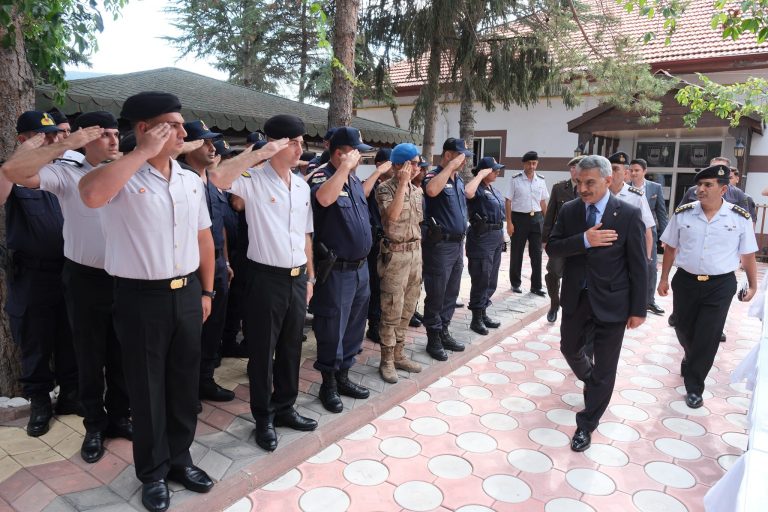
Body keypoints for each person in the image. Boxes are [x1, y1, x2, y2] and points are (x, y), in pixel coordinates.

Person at [79, 92, 216, 512]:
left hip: (188, 293)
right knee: (147, 389)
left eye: (181, 124)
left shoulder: (191, 179)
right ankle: (152, 472)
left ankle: (180, 459)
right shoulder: (121, 173)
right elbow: (90, 194)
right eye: (171, 124)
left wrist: (207, 290)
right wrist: (142, 154)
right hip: (141, 298)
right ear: (142, 128)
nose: (182, 132)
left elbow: (203, 237)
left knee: (182, 385)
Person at [2, 111, 132, 463]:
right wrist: (63, 143)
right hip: (67, 275)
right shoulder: (60, 172)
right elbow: (14, 174)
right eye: (103, 134)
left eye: (115, 133)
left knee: (117, 353)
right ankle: (80, 418)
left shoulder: (123, 171)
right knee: (67, 349)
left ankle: (118, 416)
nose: (113, 140)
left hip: (121, 276)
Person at [208, 114, 316, 451]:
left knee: (290, 348)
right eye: (293, 142)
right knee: (262, 350)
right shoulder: (252, 178)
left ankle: (285, 407)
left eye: (301, 142)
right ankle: (263, 417)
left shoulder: (300, 185)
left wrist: (310, 275)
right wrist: (259, 152)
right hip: (265, 279)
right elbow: (216, 178)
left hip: (297, 278)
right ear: (277, 143)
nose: (300, 148)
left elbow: (305, 234)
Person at [546, 154, 647, 452]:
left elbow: (639, 265)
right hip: (577, 298)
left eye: (590, 183)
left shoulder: (627, 214)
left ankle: (586, 424)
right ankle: (595, 382)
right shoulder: (570, 210)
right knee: (569, 348)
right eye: (579, 182)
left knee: (606, 367)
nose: (582, 189)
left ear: (607, 179)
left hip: (614, 303)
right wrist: (585, 240)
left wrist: (638, 308)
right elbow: (552, 245)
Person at [0, 111, 79, 438]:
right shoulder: (14, 172)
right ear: (24, 139)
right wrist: (27, 152)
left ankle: (72, 397)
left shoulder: (70, 169)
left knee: (71, 337)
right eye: (46, 136)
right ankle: (40, 404)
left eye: (59, 135)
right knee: (35, 340)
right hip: (32, 275)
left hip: (70, 271)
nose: (56, 141)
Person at [658, 163, 757, 409]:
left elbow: (748, 255)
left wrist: (753, 285)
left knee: (708, 335)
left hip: (720, 284)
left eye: (707, 185)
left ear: (723, 189)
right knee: (682, 327)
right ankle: (690, 355)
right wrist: (663, 278)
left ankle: (694, 386)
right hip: (686, 281)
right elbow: (670, 247)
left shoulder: (739, 217)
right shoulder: (684, 213)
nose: (701, 189)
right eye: (699, 185)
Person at [308, 127, 373, 412]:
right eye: (355, 151)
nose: (360, 156)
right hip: (336, 271)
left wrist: (349, 172)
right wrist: (343, 169)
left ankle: (344, 376)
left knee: (354, 327)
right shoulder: (322, 175)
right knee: (332, 328)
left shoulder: (355, 181)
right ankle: (328, 384)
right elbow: (323, 199)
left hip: (360, 270)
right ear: (339, 152)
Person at [179, 120, 236, 404]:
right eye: (205, 142)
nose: (212, 148)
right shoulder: (182, 180)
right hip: (192, 267)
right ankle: (187, 388)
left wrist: (224, 261)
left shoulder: (210, 183)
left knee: (214, 328)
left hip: (216, 264)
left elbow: (219, 227)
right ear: (188, 146)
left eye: (212, 142)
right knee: (192, 332)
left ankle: (205, 380)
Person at [375, 143, 424, 382]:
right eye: (413, 163)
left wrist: (409, 185)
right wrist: (403, 183)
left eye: (417, 163)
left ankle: (399, 354)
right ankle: (386, 360)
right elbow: (391, 218)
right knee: (392, 308)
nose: (417, 167)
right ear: (398, 165)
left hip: (415, 254)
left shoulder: (418, 191)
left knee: (408, 307)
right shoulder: (385, 189)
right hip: (395, 256)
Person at [421, 138, 470, 361]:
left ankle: (444, 331)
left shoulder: (458, 180)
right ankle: (433, 338)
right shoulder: (434, 175)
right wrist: (449, 167)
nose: (464, 160)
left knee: (451, 291)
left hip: (457, 244)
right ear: (448, 155)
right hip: (439, 246)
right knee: (437, 293)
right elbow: (430, 190)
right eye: (460, 156)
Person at [465, 156, 506, 335]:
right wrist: (480, 175)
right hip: (481, 238)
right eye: (493, 169)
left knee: (491, 279)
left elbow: (500, 215)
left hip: (495, 236)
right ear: (484, 171)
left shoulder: (494, 190)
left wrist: (503, 237)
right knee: (481, 277)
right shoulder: (477, 188)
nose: (497, 171)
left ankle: (483, 312)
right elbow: (467, 192)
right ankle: (476, 319)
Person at [542, 156, 582, 323]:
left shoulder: (589, 188)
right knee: (552, 274)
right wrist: (545, 239)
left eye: (577, 167)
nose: (574, 170)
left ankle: (573, 308)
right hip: (560, 240)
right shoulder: (559, 188)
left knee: (576, 277)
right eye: (572, 167)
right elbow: (550, 215)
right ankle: (554, 303)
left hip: (581, 242)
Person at [505, 150, 549, 295]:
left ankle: (536, 286)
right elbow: (508, 201)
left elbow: (543, 202)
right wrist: (509, 222)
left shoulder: (541, 180)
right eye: (529, 163)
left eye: (534, 163)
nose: (532, 166)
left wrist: (547, 223)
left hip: (536, 219)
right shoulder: (515, 179)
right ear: (524, 164)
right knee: (517, 252)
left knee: (537, 253)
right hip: (519, 219)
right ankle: (515, 283)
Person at [628, 158, 668, 315]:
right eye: (631, 170)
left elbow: (661, 212)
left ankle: (649, 301)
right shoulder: (625, 188)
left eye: (637, 170)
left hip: (649, 232)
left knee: (650, 266)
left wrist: (665, 236)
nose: (633, 173)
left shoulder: (655, 187)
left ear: (644, 171)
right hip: (630, 231)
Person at [364, 148, 394, 344]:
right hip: (375, 244)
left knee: (386, 286)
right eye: (392, 163)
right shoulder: (370, 185)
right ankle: (373, 325)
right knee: (375, 286)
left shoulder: (394, 186)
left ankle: (382, 321)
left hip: (390, 243)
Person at [608, 152, 655, 264]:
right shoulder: (601, 194)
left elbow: (647, 228)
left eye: (615, 169)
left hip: (628, 253)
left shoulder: (636, 196)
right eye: (609, 170)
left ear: (626, 173)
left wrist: (647, 257)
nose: (611, 173)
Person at [677, 156, 752, 214]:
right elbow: (680, 214)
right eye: (712, 168)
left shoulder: (737, 194)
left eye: (720, 169)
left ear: (728, 172)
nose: (715, 171)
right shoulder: (693, 190)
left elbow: (745, 221)